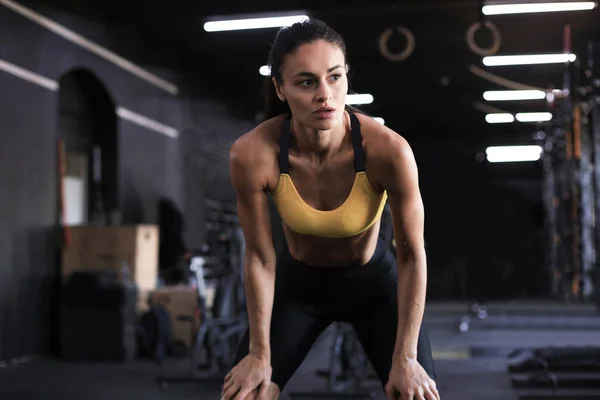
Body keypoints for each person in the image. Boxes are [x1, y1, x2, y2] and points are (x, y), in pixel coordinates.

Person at [222, 18, 440, 400]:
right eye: (306, 82)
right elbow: (259, 257)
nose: (325, 94)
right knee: (247, 395)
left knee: (416, 395)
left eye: (334, 77)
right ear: (281, 88)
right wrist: (259, 353)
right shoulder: (253, 154)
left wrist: (406, 359)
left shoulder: (388, 151)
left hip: (373, 284)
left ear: (346, 78)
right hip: (300, 286)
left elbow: (412, 256)